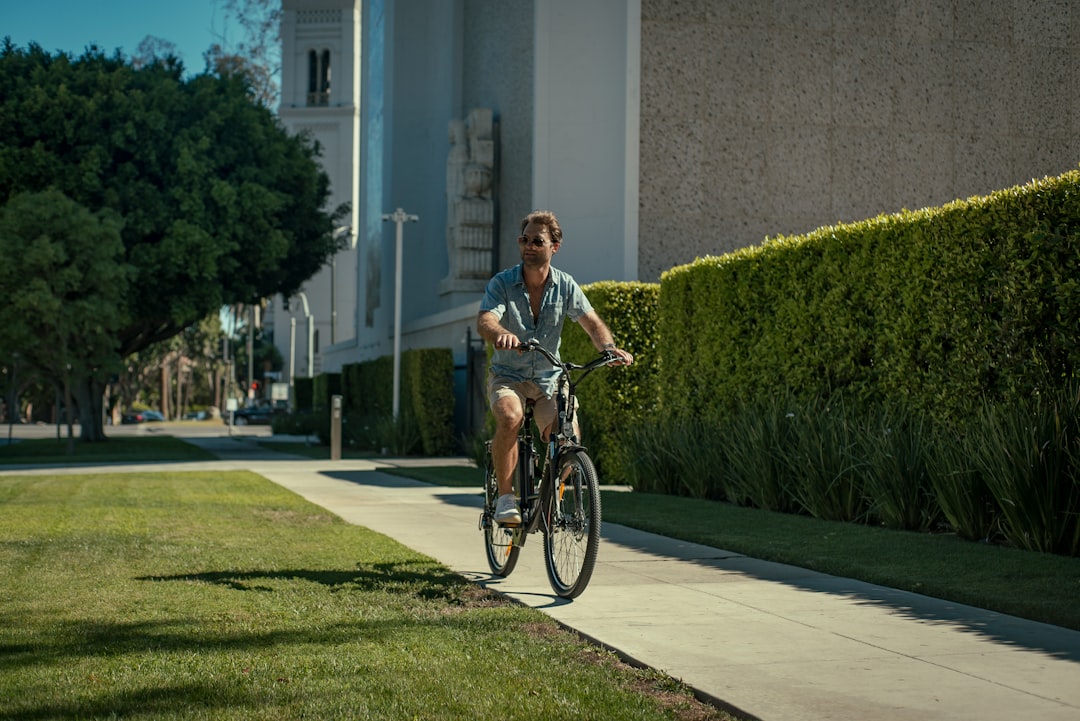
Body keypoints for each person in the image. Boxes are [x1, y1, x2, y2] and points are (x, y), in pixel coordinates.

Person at [477, 210, 633, 525]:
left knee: (566, 438)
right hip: (509, 376)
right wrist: (501, 334)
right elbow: (486, 319)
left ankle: (552, 497)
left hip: (549, 380)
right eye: (524, 240)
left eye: (538, 241)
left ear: (554, 246)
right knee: (510, 417)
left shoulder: (565, 286)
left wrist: (608, 348)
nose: (529, 246)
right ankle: (506, 497)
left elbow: (591, 323)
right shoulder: (503, 283)